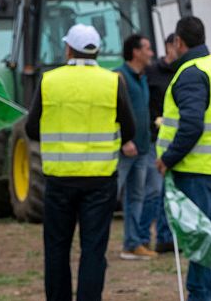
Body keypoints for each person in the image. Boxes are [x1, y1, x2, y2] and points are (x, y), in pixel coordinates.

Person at [25, 24, 136, 301]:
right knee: (93, 250)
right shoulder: (113, 81)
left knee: (56, 249)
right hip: (100, 181)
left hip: (59, 180)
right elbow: (129, 129)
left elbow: (31, 129)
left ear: (69, 49)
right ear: (97, 51)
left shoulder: (49, 81)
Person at [155, 17, 211, 301]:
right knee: (209, 234)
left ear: (178, 41)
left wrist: (168, 158)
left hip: (196, 167)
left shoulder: (191, 72)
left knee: (198, 238)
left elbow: (192, 125)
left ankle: (200, 294)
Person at [116, 34, 157, 260]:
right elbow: (115, 111)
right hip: (125, 150)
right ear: (135, 52)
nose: (151, 53)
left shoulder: (141, 77)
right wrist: (124, 140)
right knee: (111, 195)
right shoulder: (119, 77)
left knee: (136, 197)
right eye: (147, 49)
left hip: (141, 148)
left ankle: (132, 244)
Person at [142, 33, 178, 253]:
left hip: (177, 141)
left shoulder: (183, 72)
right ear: (167, 47)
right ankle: (144, 237)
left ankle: (167, 237)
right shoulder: (152, 72)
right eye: (174, 46)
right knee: (154, 191)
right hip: (155, 139)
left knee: (170, 191)